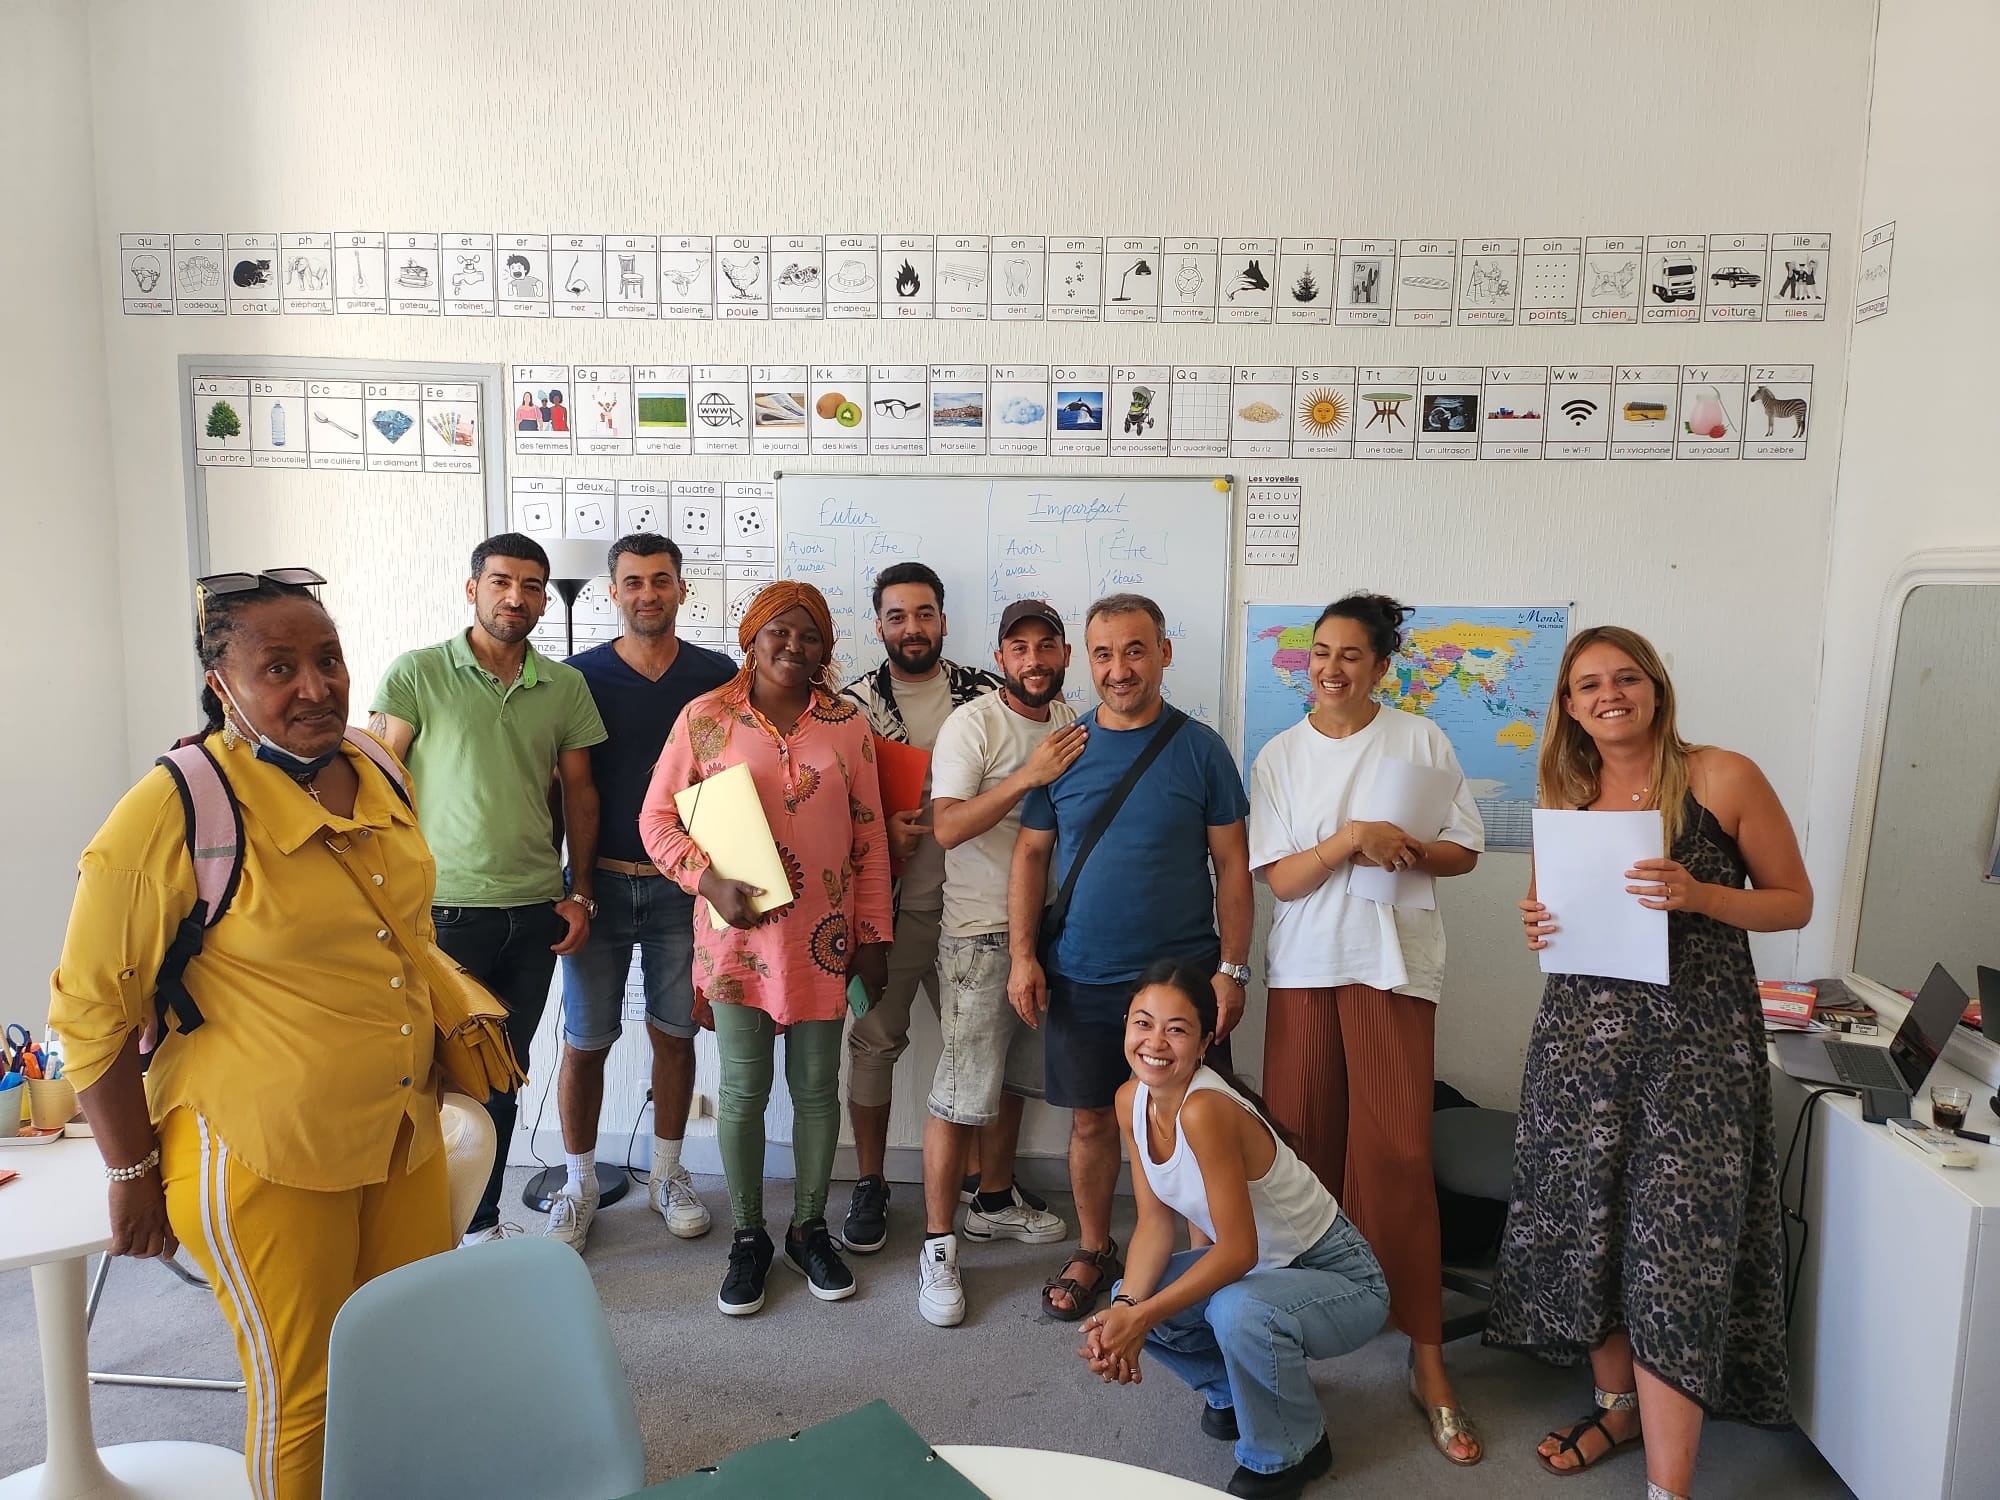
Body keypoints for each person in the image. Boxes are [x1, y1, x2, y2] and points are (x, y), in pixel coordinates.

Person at [50, 571, 453, 1500]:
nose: (315, 685)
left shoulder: (380, 764)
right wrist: (129, 1171)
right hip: (264, 1150)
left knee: (408, 1361)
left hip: (398, 1130)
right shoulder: (175, 805)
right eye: (279, 667)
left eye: (328, 659)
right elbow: (89, 1011)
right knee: (303, 1392)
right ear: (220, 682)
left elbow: (400, 931)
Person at [1490, 625, 1812, 1500]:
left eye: (1625, 678)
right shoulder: (1564, 791)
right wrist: (1535, 920)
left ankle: (1669, 1489)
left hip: (1697, 1054)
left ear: (1656, 689)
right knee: (1590, 1225)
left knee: (1676, 1252)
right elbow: (1544, 905)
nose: (1608, 695)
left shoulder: (1722, 776)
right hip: (1580, 1051)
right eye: (1587, 684)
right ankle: (1614, 1404)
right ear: (1568, 706)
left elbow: (1793, 901)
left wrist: (1703, 894)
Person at [1246, 593, 1486, 1466]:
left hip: (1391, 968)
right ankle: (1292, 1345)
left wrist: (1406, 849)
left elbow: (1463, 849)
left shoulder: (1419, 739)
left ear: (1382, 667)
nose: (1332, 668)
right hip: (1306, 970)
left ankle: (1427, 1360)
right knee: (1296, 1159)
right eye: (1320, 653)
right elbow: (1282, 882)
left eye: (1352, 655)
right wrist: (1353, 838)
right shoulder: (1278, 756)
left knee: (1397, 1160)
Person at [639, 581, 893, 1316]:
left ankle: (809, 1227)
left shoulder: (848, 723)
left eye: (809, 636)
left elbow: (871, 837)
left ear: (825, 649)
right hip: (737, 942)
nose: (793, 646)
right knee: (745, 1093)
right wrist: (706, 881)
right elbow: (657, 821)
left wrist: (873, 937)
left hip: (824, 940)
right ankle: (748, 1236)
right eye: (779, 633)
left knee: (817, 1090)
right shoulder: (706, 718)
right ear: (751, 639)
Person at [1010, 592, 1253, 1321]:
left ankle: (1208, 1264)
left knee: (1198, 1123)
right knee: (1090, 1123)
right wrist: (1025, 957)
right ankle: (1095, 1247)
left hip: (1183, 987)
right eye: (1105, 654)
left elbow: (1233, 867)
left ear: (1164, 653)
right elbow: (1030, 854)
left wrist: (1232, 970)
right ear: (1090, 660)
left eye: (1135, 650)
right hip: (1083, 975)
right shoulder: (1064, 749)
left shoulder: (1202, 749)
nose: (1120, 669)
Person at [370, 533, 606, 1244]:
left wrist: (581, 892)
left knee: (503, 1075)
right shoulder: (417, 674)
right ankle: (414, 1227)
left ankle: (480, 1225)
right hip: (441, 915)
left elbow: (581, 795)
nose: (518, 597)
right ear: (471, 588)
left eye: (533, 586)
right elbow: (377, 784)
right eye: (502, 582)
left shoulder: (563, 686)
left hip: (534, 912)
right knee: (425, 1078)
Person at [1079, 961, 1390, 1500]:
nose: (1155, 1041)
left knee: (1237, 1310)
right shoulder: (1131, 1100)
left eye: (1176, 1029)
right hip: (1263, 1271)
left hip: (1337, 1276)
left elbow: (1238, 1251)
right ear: (1126, 1026)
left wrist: (1142, 1319)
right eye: (1143, 1022)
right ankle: (1235, 1392)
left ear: (1203, 1044)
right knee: (1131, 1292)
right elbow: (1154, 1225)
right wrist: (1129, 1308)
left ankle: (1293, 1449)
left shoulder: (1205, 1109)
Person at [544, 533, 736, 1250]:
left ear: (682, 589)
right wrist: (568, 886)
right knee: (585, 1040)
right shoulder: (576, 678)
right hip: (594, 887)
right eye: (633, 582)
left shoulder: (719, 677)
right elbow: (557, 787)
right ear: (612, 591)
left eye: (661, 580)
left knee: (676, 1034)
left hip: (683, 893)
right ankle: (579, 1183)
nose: (647, 594)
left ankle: (667, 1174)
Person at [915, 599, 1085, 1325]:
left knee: (1013, 1081)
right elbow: (946, 826)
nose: (1035, 660)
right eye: (1020, 648)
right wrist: (1025, 777)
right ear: (1002, 656)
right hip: (979, 932)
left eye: (1047, 647)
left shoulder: (1073, 717)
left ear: (1065, 655)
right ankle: (937, 1247)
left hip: (1051, 934)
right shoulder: (975, 723)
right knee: (960, 1093)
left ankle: (991, 1200)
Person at [838, 561, 1014, 1254]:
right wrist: (882, 832)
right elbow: (829, 811)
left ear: (943, 617)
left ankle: (983, 1187)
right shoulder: (849, 704)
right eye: (897, 616)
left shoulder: (988, 693)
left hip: (977, 902)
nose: (913, 628)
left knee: (979, 1043)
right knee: (876, 1039)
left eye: (924, 613)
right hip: (891, 904)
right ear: (878, 624)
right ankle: (873, 1181)